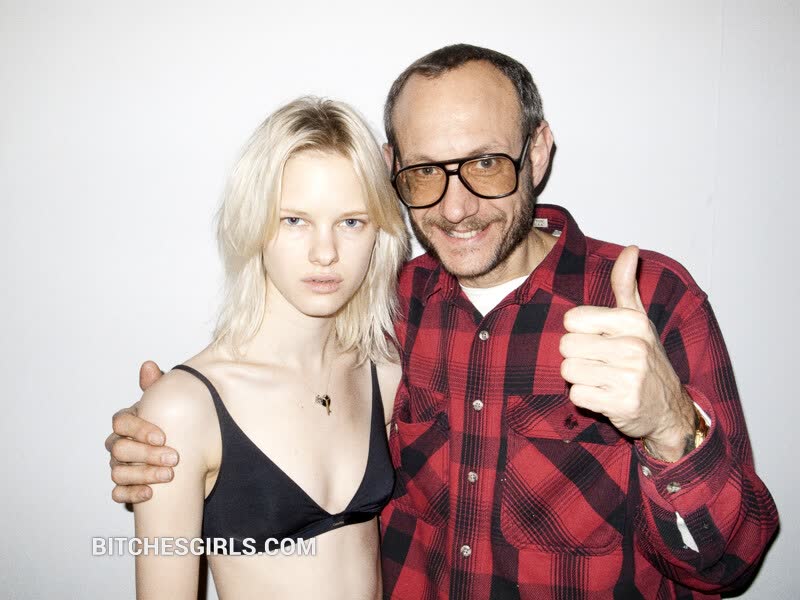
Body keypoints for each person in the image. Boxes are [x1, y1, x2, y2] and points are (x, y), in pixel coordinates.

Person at [107, 45, 778, 599]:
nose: (455, 208)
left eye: (485, 163)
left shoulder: (649, 302)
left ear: (537, 152)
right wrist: (165, 434)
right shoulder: (394, 312)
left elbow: (729, 566)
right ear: (395, 172)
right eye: (427, 172)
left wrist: (669, 429)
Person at [124, 96, 409, 599]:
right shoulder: (185, 408)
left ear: (379, 231)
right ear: (254, 224)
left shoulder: (384, 373)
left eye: (351, 222)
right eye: (294, 220)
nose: (325, 253)